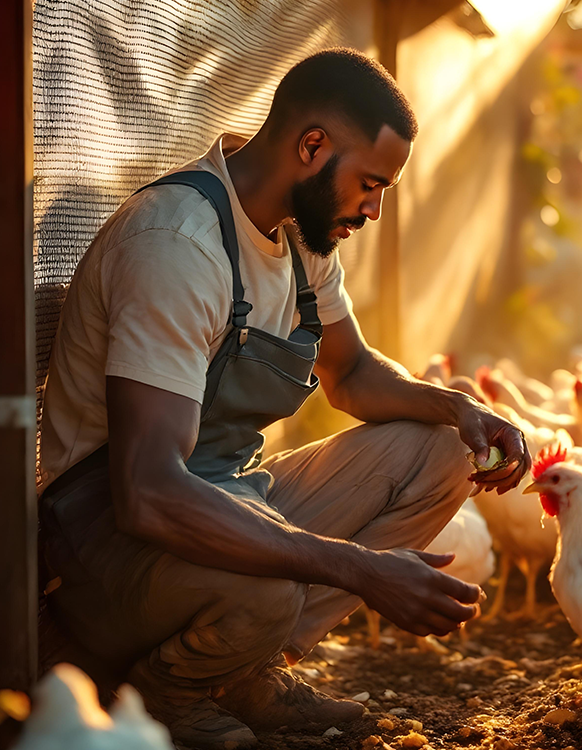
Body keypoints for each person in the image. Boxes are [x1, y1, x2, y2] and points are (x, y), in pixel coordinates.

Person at [37, 48, 530, 748]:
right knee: (268, 581)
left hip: (223, 496)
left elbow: (353, 372)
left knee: (443, 451)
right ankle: (165, 693)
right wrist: (355, 565)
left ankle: (244, 668)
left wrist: (459, 408)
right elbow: (148, 492)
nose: (376, 209)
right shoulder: (179, 245)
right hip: (101, 542)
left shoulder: (303, 242)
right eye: (370, 183)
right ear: (311, 146)